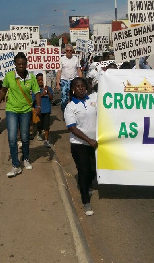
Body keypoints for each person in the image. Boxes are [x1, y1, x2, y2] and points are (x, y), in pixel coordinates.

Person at [0, 52, 41, 177]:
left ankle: (26, 158)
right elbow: (3, 91)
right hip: (11, 110)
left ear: (26, 64)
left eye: (24, 64)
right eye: (19, 64)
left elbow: (37, 92)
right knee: (12, 138)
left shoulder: (31, 77)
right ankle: (15, 165)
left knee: (24, 137)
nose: (21, 66)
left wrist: (38, 106)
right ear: (15, 64)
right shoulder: (9, 76)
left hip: (25, 111)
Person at [64, 77, 98, 216]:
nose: (81, 88)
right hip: (79, 145)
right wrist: (88, 139)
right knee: (83, 171)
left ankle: (86, 184)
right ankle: (86, 202)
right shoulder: (70, 107)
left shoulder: (93, 99)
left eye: (83, 86)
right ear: (73, 88)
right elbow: (72, 128)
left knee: (93, 169)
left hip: (95, 143)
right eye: (77, 86)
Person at [56, 44, 82, 113]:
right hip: (64, 81)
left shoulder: (76, 59)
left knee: (75, 97)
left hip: (74, 80)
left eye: (70, 51)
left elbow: (79, 70)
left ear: (72, 51)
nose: (69, 52)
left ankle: (74, 112)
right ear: (65, 51)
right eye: (67, 50)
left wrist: (81, 81)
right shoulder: (61, 59)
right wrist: (58, 84)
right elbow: (59, 72)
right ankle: (64, 112)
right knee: (64, 99)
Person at [33, 73, 53, 148]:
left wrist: (48, 91)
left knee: (46, 126)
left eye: (42, 80)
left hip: (47, 110)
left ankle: (46, 140)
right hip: (39, 111)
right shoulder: (35, 89)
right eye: (39, 80)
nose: (40, 81)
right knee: (39, 125)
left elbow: (51, 98)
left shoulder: (48, 88)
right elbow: (33, 99)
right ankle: (39, 132)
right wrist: (42, 94)